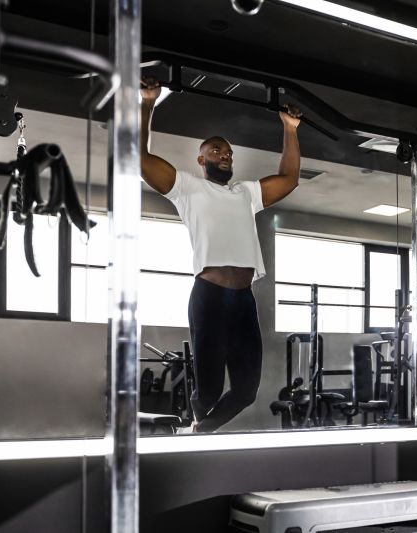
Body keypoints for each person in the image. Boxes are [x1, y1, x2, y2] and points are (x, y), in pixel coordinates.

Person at [139, 76, 302, 433]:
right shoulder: (186, 187)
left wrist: (289, 129)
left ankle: (199, 431)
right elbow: (142, 158)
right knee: (209, 388)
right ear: (201, 159)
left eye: (228, 152)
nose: (225, 154)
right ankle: (199, 429)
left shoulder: (246, 193)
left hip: (243, 299)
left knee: (246, 390)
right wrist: (147, 103)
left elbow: (289, 178)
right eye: (216, 150)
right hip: (210, 296)